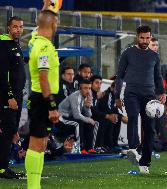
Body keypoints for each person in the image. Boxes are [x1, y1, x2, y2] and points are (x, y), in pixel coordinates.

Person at [115, 25, 166, 174]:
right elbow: (120, 75)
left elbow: (158, 76)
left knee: (150, 129)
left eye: (147, 38)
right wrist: (118, 95)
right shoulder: (128, 53)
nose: (145, 40)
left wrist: (162, 92)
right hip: (131, 93)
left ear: (150, 37)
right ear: (137, 37)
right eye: (142, 38)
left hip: (149, 96)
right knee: (132, 116)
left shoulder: (154, 56)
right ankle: (133, 148)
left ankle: (145, 163)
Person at [25, 9, 60, 189]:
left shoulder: (34, 40)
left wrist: (48, 6)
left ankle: (35, 184)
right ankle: (33, 186)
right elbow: (44, 77)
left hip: (39, 98)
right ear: (53, 25)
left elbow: (39, 25)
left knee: (42, 143)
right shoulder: (44, 47)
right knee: (37, 143)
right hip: (42, 100)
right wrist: (52, 106)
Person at [0, 16, 26, 179]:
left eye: (21, 27)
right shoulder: (3, 45)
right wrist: (9, 96)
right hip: (7, 97)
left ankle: (4, 165)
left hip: (17, 94)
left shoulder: (15, 45)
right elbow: (1, 74)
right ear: (8, 28)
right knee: (6, 132)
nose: (18, 29)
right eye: (15, 27)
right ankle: (2, 168)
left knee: (11, 132)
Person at [58, 79, 97, 154]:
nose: (88, 90)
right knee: (78, 123)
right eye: (85, 88)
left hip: (71, 117)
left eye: (89, 88)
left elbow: (89, 115)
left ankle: (89, 148)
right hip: (61, 118)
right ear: (80, 89)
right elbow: (77, 115)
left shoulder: (88, 95)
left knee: (91, 123)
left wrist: (88, 106)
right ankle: (80, 148)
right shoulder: (75, 96)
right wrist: (89, 120)